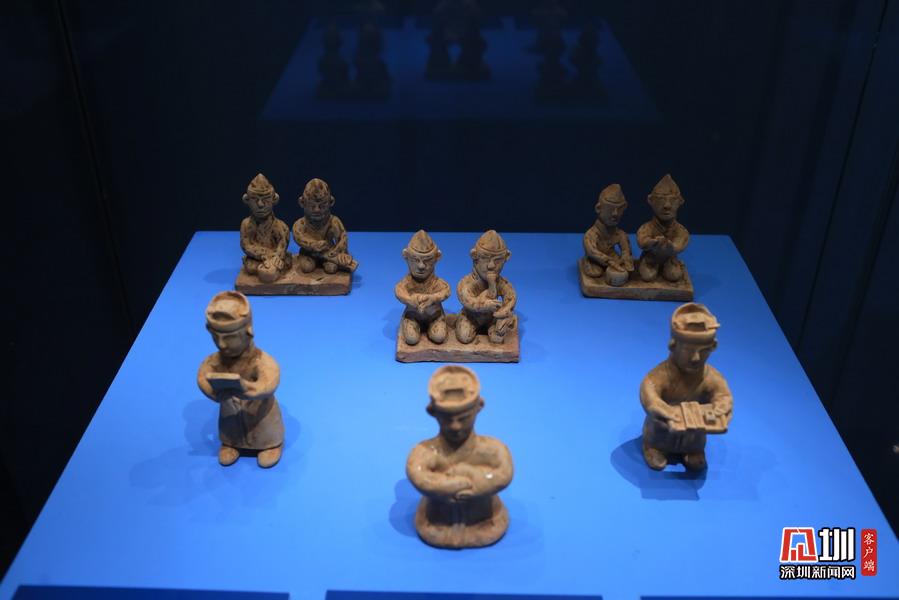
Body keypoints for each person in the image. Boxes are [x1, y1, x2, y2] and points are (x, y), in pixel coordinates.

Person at [406, 366, 514, 548]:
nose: (455, 427)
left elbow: (504, 473)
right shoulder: (426, 451)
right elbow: (417, 473)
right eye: (447, 419)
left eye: (463, 418)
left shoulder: (493, 449)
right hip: (435, 525)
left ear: (479, 407)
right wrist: (447, 485)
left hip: (486, 524)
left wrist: (478, 481)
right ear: (432, 412)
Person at [640, 303, 733, 471]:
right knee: (658, 433)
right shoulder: (660, 375)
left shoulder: (711, 377)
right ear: (673, 346)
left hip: (694, 433)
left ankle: (693, 451)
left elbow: (723, 396)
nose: (695, 358)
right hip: (663, 429)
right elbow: (650, 392)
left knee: (694, 439)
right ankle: (653, 448)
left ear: (713, 347)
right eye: (688, 350)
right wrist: (662, 410)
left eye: (703, 351)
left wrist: (720, 409)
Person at [197, 291, 285, 468]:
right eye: (216, 337)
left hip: (259, 411)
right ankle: (231, 444)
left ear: (248, 332)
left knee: (265, 428)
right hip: (230, 410)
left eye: (229, 338)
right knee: (230, 426)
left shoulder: (261, 360)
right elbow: (202, 377)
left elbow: (270, 381)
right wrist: (216, 393)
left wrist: (247, 389)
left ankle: (270, 445)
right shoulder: (214, 361)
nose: (222, 344)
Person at [456, 230, 517, 344]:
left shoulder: (501, 283)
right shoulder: (466, 283)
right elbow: (466, 298)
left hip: (492, 318)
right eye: (485, 259)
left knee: (497, 339)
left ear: (506, 257)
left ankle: (502, 324)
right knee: (464, 337)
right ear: (475, 256)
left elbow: (511, 296)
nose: (491, 266)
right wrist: (484, 305)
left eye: (497, 260)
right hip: (471, 317)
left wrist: (504, 311)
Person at [395, 230, 451, 345]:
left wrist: (433, 298)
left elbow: (446, 290)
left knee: (439, 337)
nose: (421, 266)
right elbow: (398, 290)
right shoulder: (407, 282)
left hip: (434, 315)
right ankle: (411, 324)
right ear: (406, 256)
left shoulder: (436, 282)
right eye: (415, 260)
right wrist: (410, 300)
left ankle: (433, 327)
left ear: (437, 258)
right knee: (411, 339)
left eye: (427, 260)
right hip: (412, 315)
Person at [292, 178, 358, 275]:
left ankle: (329, 262)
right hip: (308, 252)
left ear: (331, 202)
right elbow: (298, 237)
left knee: (331, 269)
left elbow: (342, 237)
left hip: (329, 252)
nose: (317, 210)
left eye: (322, 206)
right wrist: (313, 245)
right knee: (306, 267)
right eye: (312, 206)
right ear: (302, 203)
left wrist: (341, 252)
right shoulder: (300, 224)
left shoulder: (333, 221)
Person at [636, 174, 690, 283]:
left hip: (670, 259)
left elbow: (680, 243)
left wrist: (671, 247)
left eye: (673, 200)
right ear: (651, 201)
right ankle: (650, 264)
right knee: (647, 276)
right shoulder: (647, 227)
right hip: (650, 259)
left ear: (680, 202)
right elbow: (641, 241)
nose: (667, 206)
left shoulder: (680, 230)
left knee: (674, 276)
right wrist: (650, 242)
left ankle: (668, 265)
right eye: (660, 200)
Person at [239, 174, 291, 283]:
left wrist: (278, 256)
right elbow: (246, 245)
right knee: (251, 268)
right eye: (255, 199)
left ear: (274, 200)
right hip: (259, 257)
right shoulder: (246, 224)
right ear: (247, 200)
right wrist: (264, 254)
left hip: (274, 256)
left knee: (274, 267)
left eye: (266, 199)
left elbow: (282, 243)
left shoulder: (280, 226)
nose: (260, 204)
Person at [581, 183, 634, 286]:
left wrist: (625, 257)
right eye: (610, 209)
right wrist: (609, 261)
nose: (615, 214)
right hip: (595, 259)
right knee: (595, 272)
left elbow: (626, 250)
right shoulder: (592, 234)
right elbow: (592, 251)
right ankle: (588, 262)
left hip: (612, 256)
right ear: (598, 208)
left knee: (627, 268)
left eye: (619, 209)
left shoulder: (620, 234)